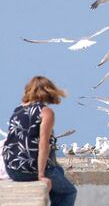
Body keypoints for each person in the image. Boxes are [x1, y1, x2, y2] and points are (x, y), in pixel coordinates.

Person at [2, 76, 77, 206]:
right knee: (68, 192)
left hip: (12, 169)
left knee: (58, 171)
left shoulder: (17, 110)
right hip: (30, 170)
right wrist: (41, 175)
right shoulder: (45, 112)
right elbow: (43, 144)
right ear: (49, 91)